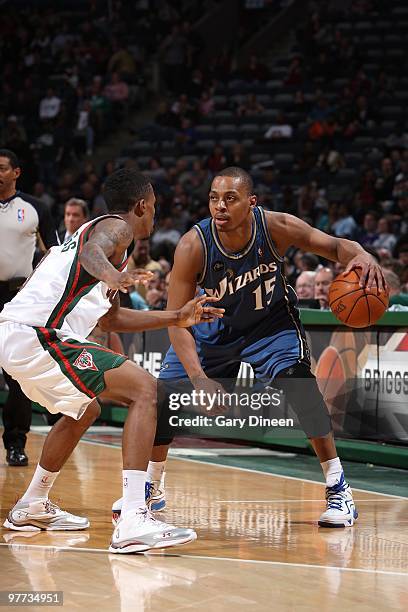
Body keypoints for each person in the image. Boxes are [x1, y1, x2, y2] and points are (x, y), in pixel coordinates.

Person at [109, 166, 386, 529]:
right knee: (165, 398)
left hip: (268, 327)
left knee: (299, 383)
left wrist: (361, 254)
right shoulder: (194, 245)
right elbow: (177, 319)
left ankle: (338, 488)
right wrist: (199, 379)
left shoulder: (276, 227)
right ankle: (153, 485)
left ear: (251, 203)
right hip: (211, 330)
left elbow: (334, 247)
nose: (219, 206)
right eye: (213, 198)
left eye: (230, 198)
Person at [0, 168, 224, 554]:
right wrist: (112, 274)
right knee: (146, 390)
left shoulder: (102, 242)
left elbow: (111, 319)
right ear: (141, 206)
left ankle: (32, 504)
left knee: (85, 410)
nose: (154, 215)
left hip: (21, 335)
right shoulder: (116, 229)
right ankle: (135, 518)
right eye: (153, 208)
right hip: (36, 333)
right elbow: (92, 255)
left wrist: (176, 317)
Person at [0, 149, 59, 466]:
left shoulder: (35, 208)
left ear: (16, 173)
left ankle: (15, 444)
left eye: (2, 168)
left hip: (15, 297)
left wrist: (35, 281)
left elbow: (55, 251)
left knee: (17, 375)